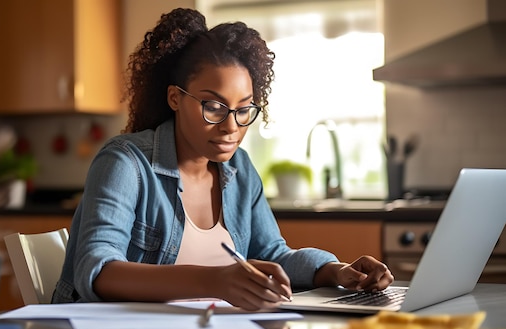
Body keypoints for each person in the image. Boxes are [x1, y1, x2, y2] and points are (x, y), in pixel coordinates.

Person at [52, 8, 393, 311]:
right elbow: (97, 271)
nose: (231, 126)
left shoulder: (239, 169)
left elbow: (273, 255)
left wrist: (336, 271)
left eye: (244, 109)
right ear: (175, 98)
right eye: (213, 107)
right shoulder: (126, 163)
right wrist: (215, 282)